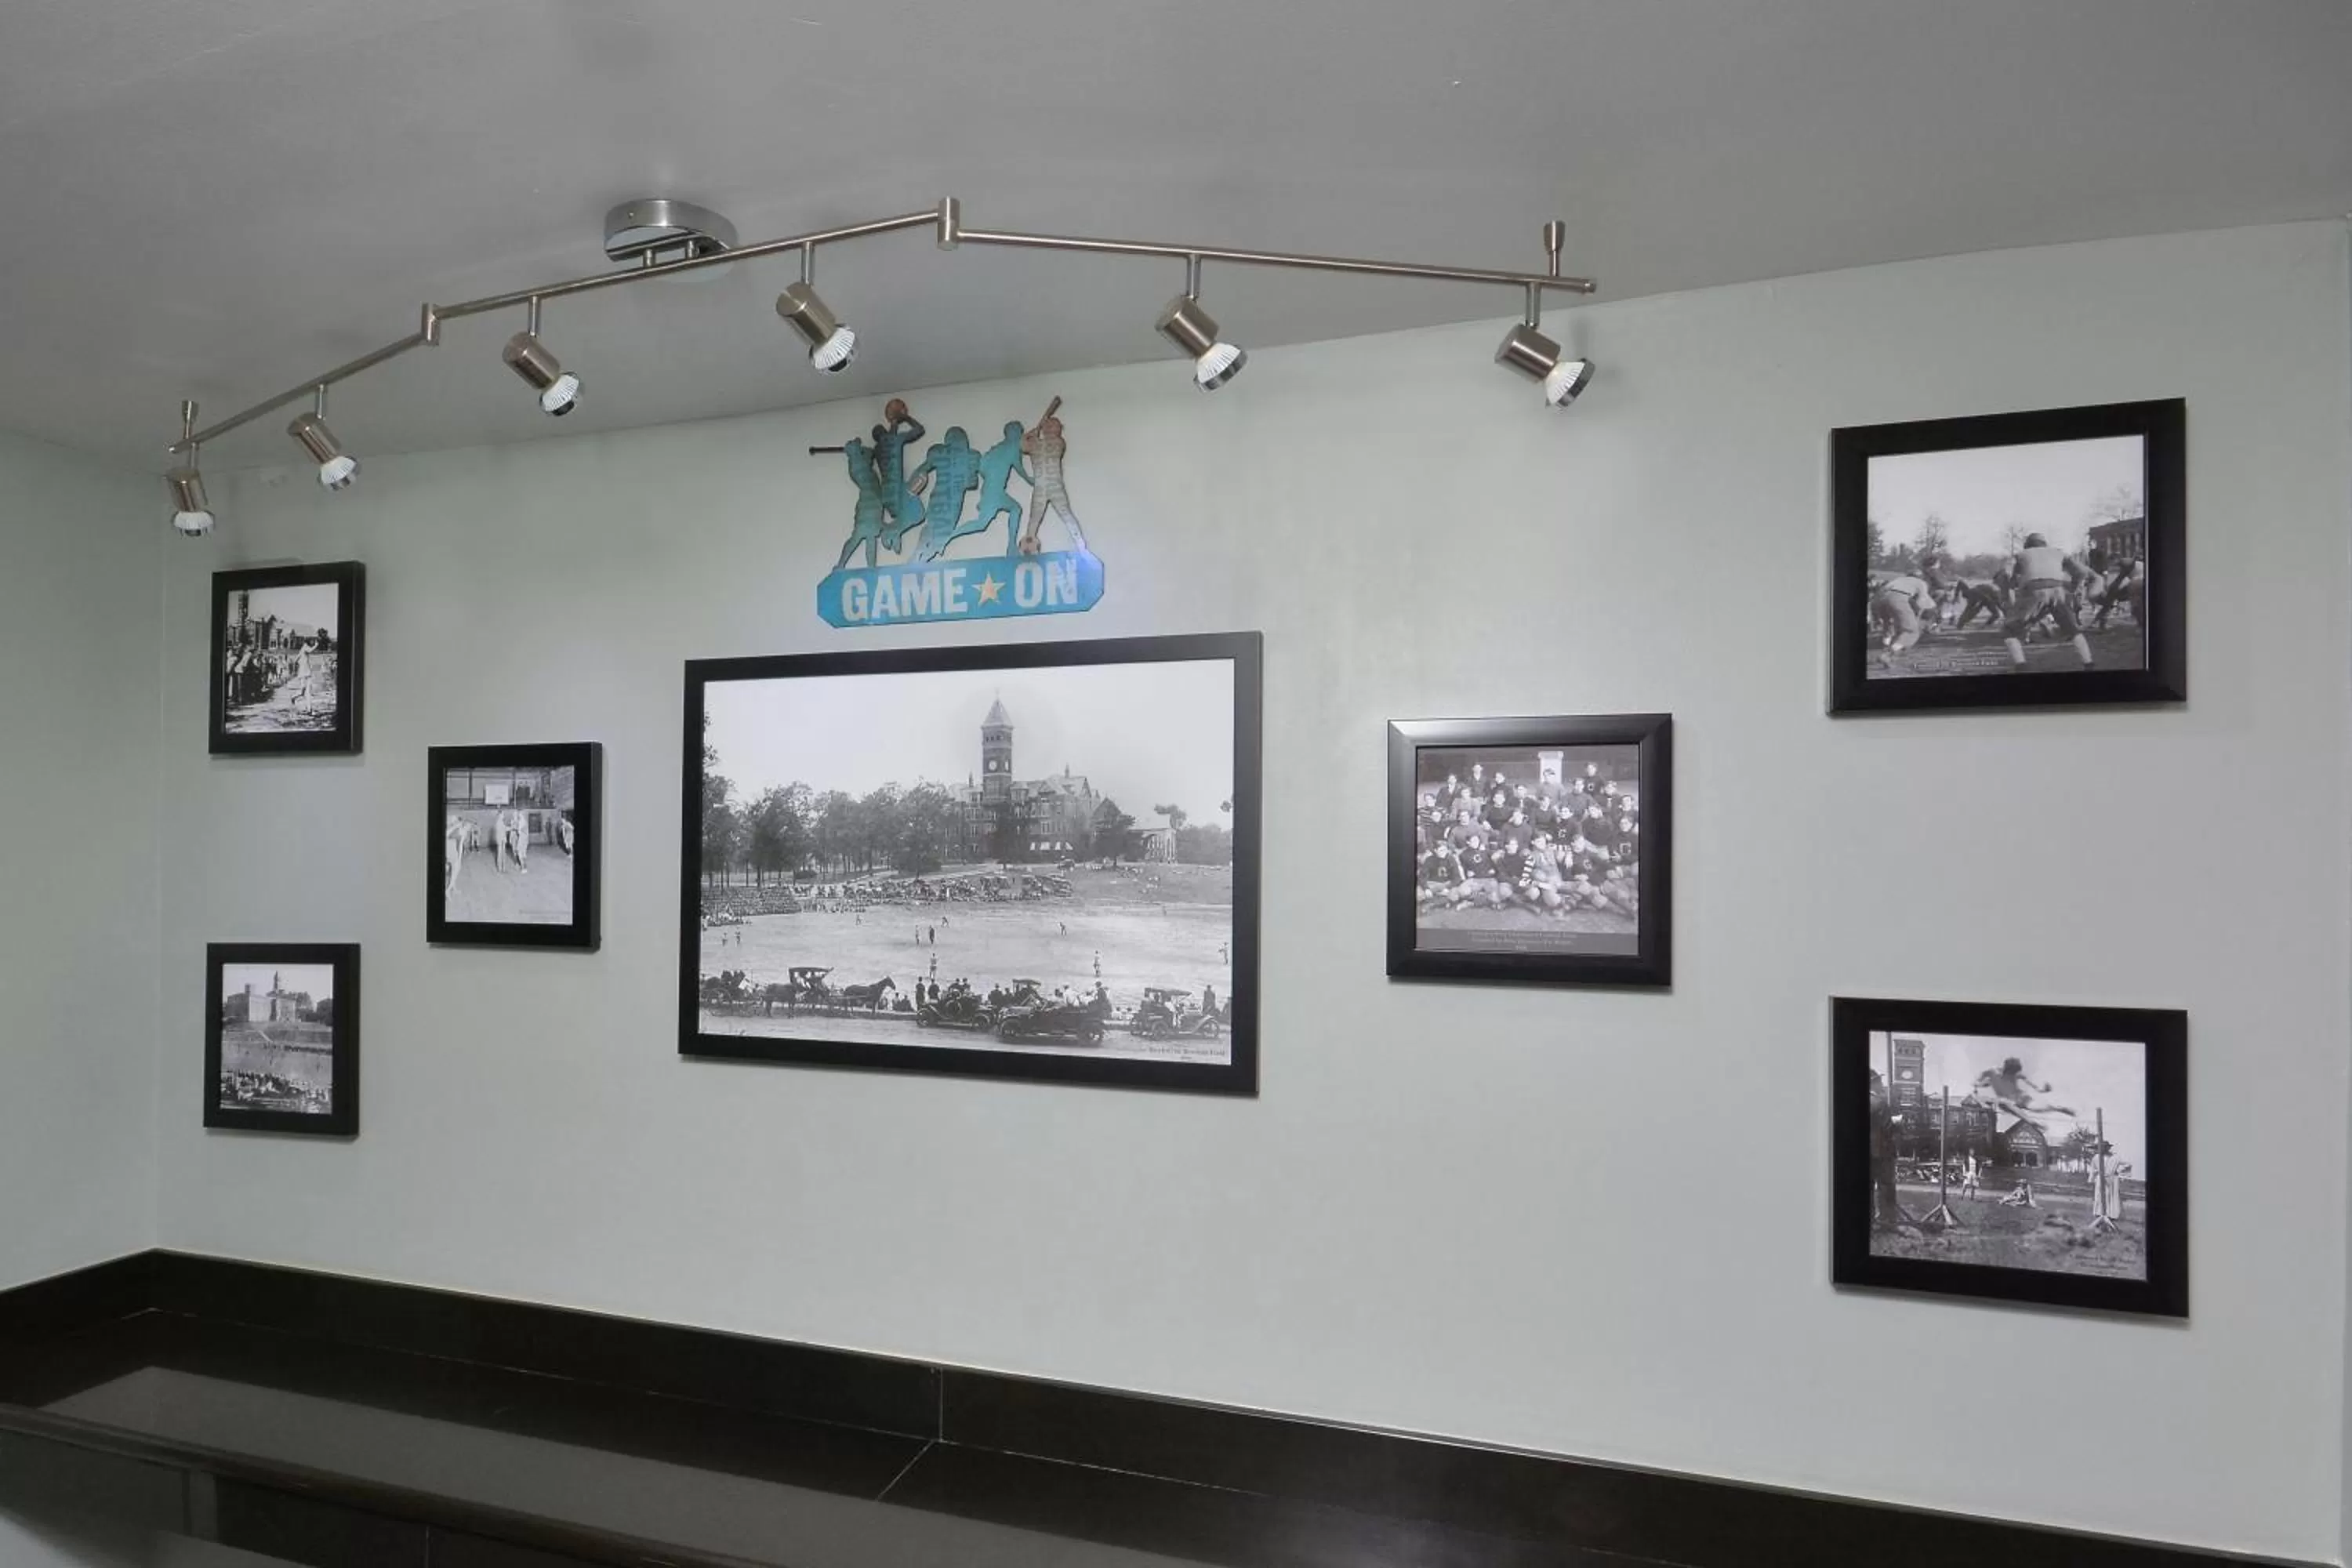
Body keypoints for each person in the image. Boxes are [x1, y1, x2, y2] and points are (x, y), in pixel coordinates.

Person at [1999, 532, 2100, 670]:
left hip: (2033, 591)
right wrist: (2073, 588)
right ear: (2044, 544)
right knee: (2073, 629)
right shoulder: (2059, 553)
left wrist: (2009, 593)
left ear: (2028, 545)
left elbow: (2006, 573)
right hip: (2058, 590)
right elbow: (2082, 572)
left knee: (2009, 631)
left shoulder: (2020, 555)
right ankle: (2088, 663)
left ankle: (2021, 666)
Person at [1017, 397, 1086, 554]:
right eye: (1048, 425)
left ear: (1059, 429)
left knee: (1066, 514)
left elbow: (1030, 445)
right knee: (1034, 518)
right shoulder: (1036, 444)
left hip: (1055, 485)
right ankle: (1028, 545)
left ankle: (1080, 543)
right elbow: (1022, 446)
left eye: (1054, 426)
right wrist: (1029, 434)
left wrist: (1032, 436)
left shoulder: (1058, 443)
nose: (1051, 428)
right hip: (1040, 487)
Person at [1869, 570, 1938, 664]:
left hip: (1878, 600)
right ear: (1921, 577)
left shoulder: (1898, 580)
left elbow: (1879, 593)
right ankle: (1888, 654)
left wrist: (1876, 618)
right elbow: (1921, 603)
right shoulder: (1921, 583)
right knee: (1912, 632)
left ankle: (1885, 647)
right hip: (1897, 598)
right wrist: (1916, 620)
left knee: (1888, 625)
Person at [1868, 1069, 1907, 1231]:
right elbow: (1887, 1128)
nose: (1882, 1085)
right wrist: (1897, 1122)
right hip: (1882, 1153)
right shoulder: (1880, 1103)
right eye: (1879, 1081)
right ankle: (1887, 1221)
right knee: (1886, 1187)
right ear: (1873, 1083)